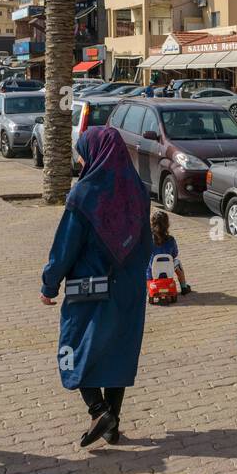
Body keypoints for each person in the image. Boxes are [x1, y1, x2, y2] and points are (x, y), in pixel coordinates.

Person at [41, 125, 153, 448]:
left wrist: (49, 284)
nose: (79, 157)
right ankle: (111, 427)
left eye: (82, 150)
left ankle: (98, 409)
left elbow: (65, 247)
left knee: (72, 349)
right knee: (118, 352)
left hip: (89, 290)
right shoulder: (139, 191)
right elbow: (145, 246)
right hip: (129, 290)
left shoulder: (84, 195)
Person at [146, 209, 190, 303]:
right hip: (168, 270)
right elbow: (175, 254)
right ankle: (183, 286)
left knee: (144, 264)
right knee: (178, 263)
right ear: (167, 225)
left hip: (152, 271)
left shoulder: (148, 240)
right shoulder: (171, 240)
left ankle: (147, 286)